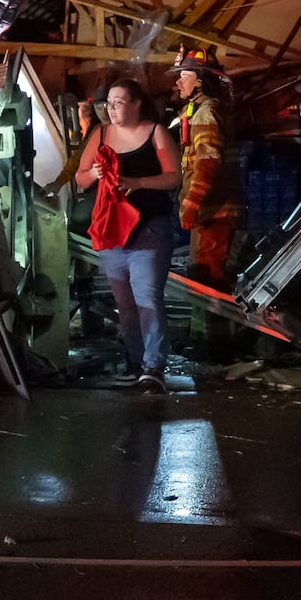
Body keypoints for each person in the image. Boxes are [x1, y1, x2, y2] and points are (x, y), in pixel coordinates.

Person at [72, 78, 180, 393]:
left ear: (136, 104)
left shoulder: (155, 132)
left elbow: (174, 176)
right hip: (113, 230)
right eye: (109, 103)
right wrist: (94, 174)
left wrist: (140, 182)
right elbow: (80, 178)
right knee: (126, 302)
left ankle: (153, 367)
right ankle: (135, 363)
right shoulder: (101, 134)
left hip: (148, 229)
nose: (111, 108)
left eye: (119, 102)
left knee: (148, 298)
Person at [171, 47, 244, 358]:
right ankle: (207, 340)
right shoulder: (199, 110)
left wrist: (191, 203)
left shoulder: (205, 113)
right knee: (203, 274)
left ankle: (214, 347)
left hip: (214, 211)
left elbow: (208, 162)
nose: (178, 83)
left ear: (199, 80)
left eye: (184, 77)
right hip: (212, 210)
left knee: (208, 279)